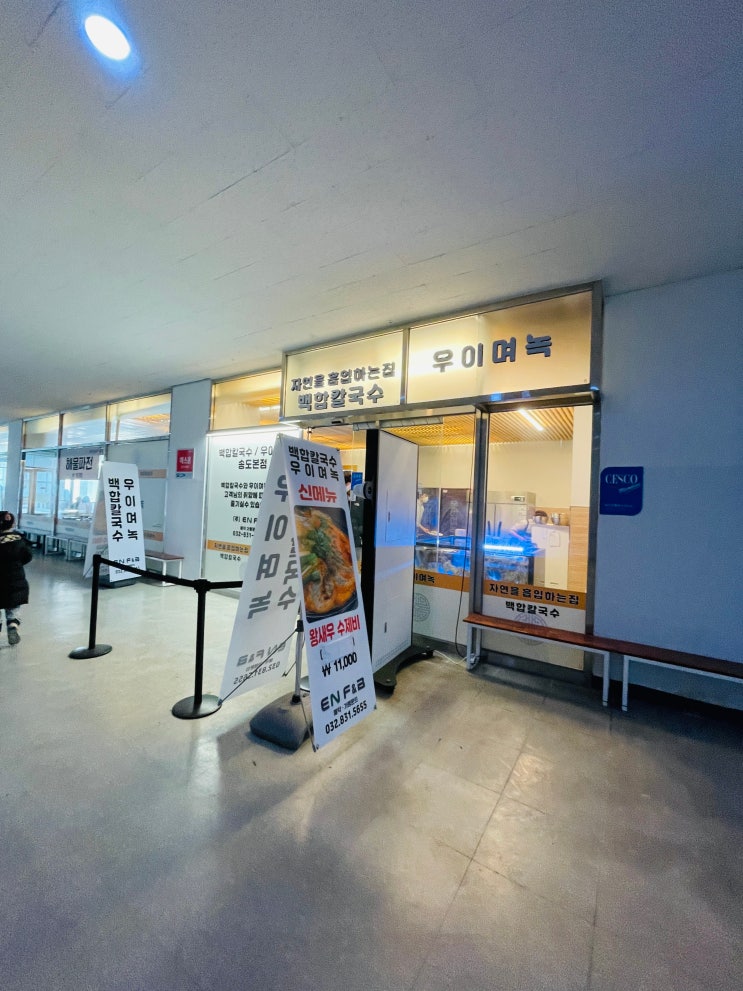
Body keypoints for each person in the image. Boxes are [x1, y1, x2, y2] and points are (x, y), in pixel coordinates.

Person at [0, 511, 33, 645]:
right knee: (13, 606)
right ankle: (13, 625)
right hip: (15, 579)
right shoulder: (19, 539)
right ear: (13, 524)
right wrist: (16, 564)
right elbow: (28, 556)